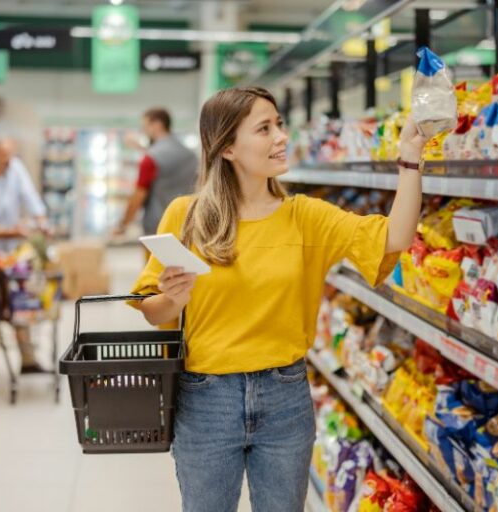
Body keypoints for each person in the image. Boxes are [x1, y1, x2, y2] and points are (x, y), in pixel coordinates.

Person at [130, 87, 427, 512]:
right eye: (264, 128)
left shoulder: (305, 216)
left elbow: (394, 238)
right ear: (228, 147)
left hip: (285, 397)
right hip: (206, 398)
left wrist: (411, 159)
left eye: (280, 125)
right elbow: (150, 307)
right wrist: (172, 301)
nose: (281, 137)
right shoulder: (187, 215)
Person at [0, 136, 49, 379]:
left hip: (13, 252)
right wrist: (14, 230)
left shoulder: (15, 169)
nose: (8, 162)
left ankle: (28, 358)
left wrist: (41, 220)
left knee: (20, 299)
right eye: (3, 158)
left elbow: (31, 198)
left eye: (10, 156)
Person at [114, 108, 198, 238]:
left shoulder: (150, 159)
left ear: (157, 125)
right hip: (188, 225)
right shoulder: (191, 156)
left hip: (158, 228)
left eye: (145, 126)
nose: (143, 131)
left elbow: (139, 195)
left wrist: (123, 224)